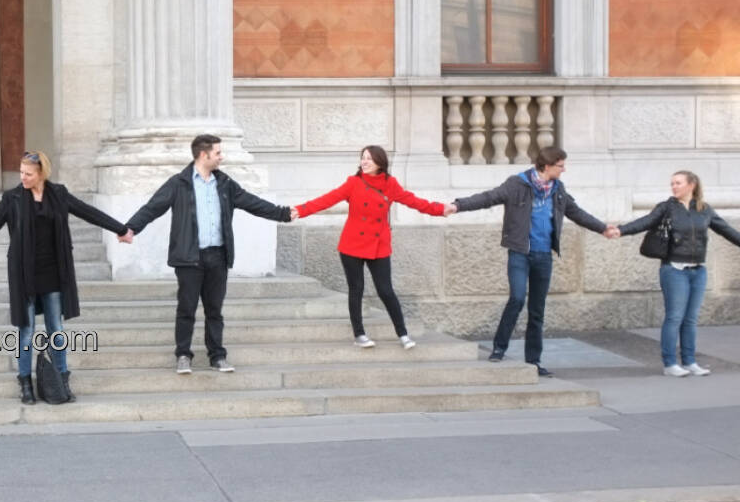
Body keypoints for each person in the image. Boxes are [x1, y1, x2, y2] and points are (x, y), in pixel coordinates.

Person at [0, 150, 128, 404]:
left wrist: (121, 229)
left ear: (41, 174)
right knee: (26, 331)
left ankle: (61, 378)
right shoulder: (12, 198)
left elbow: (88, 212)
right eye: (21, 173)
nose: (22, 177)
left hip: (53, 272)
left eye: (28, 174)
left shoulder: (58, 194)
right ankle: (25, 382)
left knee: (56, 329)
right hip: (25, 274)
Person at [123, 134, 292, 375]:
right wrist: (130, 228)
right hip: (189, 257)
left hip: (218, 256)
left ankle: (217, 356)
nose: (221, 157)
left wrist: (283, 213)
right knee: (187, 308)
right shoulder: (178, 183)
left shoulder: (224, 184)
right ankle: (183, 354)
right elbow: (153, 207)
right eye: (218, 153)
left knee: (214, 309)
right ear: (204, 155)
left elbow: (252, 202)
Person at [450, 146, 618, 376]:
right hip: (520, 253)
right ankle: (499, 348)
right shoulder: (517, 184)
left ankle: (534, 360)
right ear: (547, 166)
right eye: (561, 165)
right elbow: (488, 197)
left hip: (543, 256)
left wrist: (602, 229)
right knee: (517, 298)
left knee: (537, 309)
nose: (564, 169)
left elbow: (577, 213)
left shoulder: (558, 190)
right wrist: (457, 205)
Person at [294, 145, 446, 349]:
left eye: (369, 159)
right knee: (356, 289)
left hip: (379, 245)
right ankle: (359, 334)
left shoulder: (390, 184)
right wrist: (299, 210)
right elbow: (327, 200)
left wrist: (441, 209)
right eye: (363, 158)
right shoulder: (353, 183)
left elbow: (415, 202)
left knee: (386, 290)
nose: (364, 162)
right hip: (352, 245)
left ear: (380, 163)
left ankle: (403, 334)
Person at [617, 170, 740, 377]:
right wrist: (620, 230)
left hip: (698, 270)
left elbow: (727, 231)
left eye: (678, 183)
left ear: (691, 185)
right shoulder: (667, 208)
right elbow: (645, 222)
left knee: (691, 319)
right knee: (674, 317)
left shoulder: (704, 210)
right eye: (672, 183)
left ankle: (690, 361)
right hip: (674, 269)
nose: (674, 187)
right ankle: (670, 363)